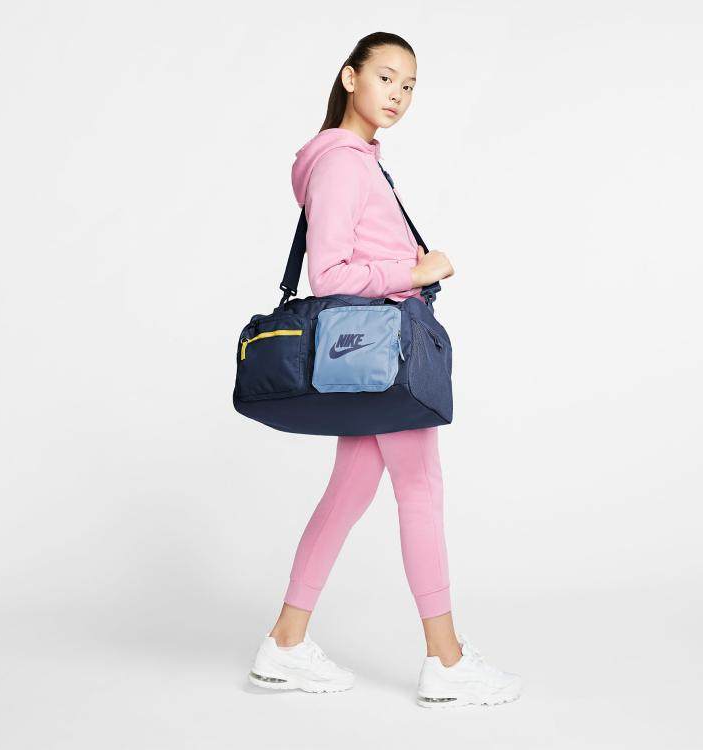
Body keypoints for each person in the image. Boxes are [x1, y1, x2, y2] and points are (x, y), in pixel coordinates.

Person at [247, 32, 522, 708]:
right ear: (350, 78)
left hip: (368, 356)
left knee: (348, 492)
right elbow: (329, 274)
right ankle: (446, 660)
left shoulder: (357, 162)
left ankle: (285, 643)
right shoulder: (343, 165)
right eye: (386, 77)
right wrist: (415, 271)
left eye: (409, 85)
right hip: (379, 354)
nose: (397, 94)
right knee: (420, 489)